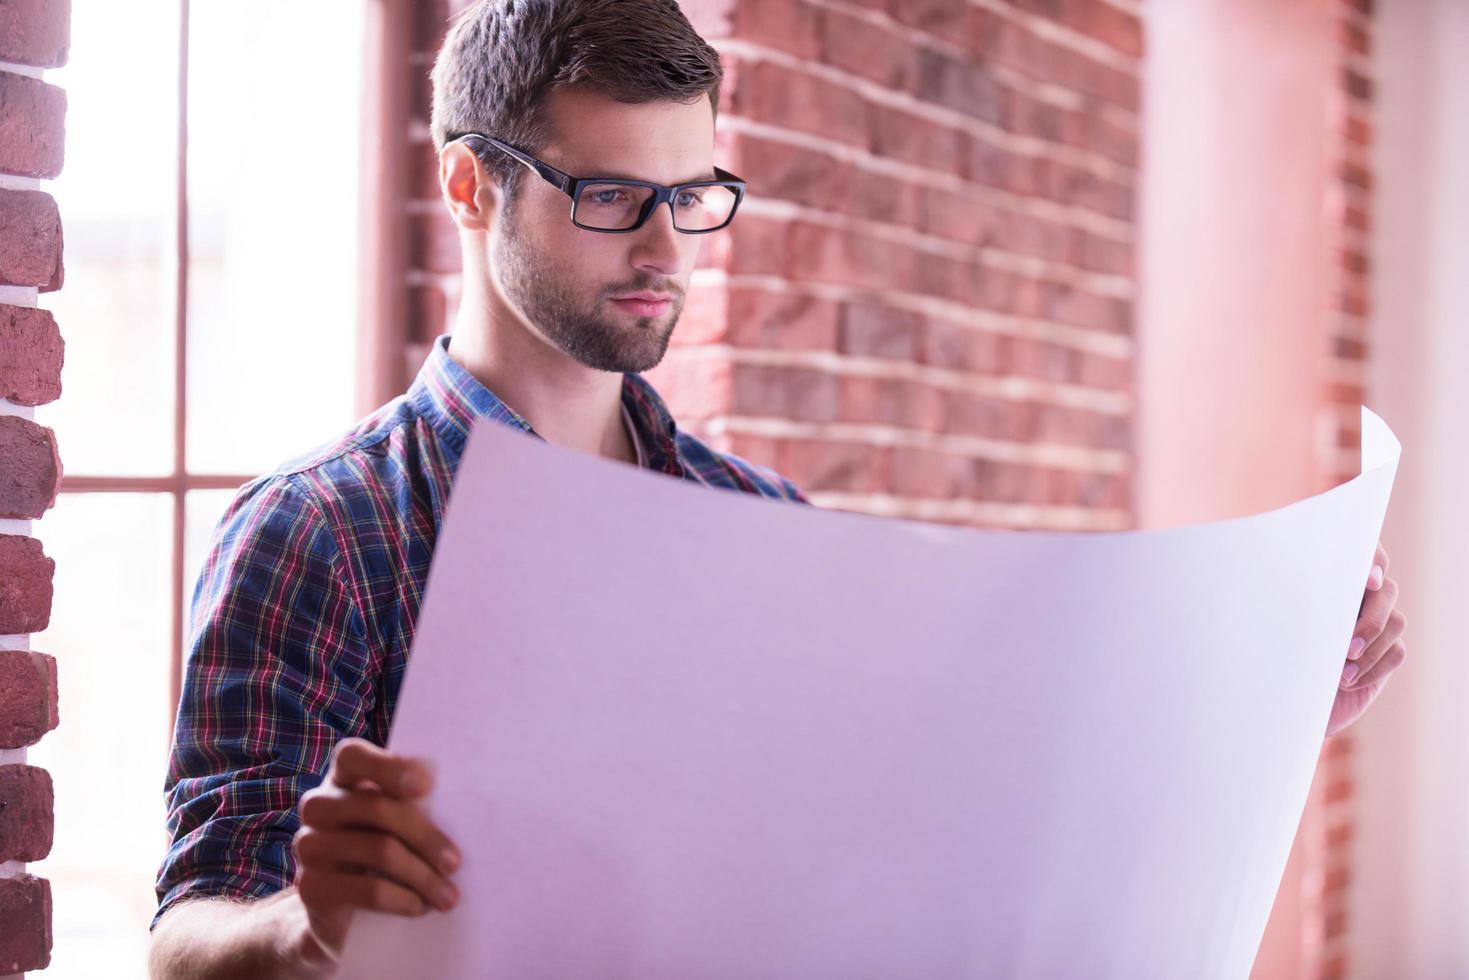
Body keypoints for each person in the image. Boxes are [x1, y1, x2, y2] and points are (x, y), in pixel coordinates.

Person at [146, 1, 1408, 976]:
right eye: (608, 197)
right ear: (470, 187)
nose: (661, 250)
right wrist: (301, 928)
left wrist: (1255, 711)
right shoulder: (319, 526)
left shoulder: (758, 527)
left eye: (691, 196)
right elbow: (182, 939)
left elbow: (936, 825)